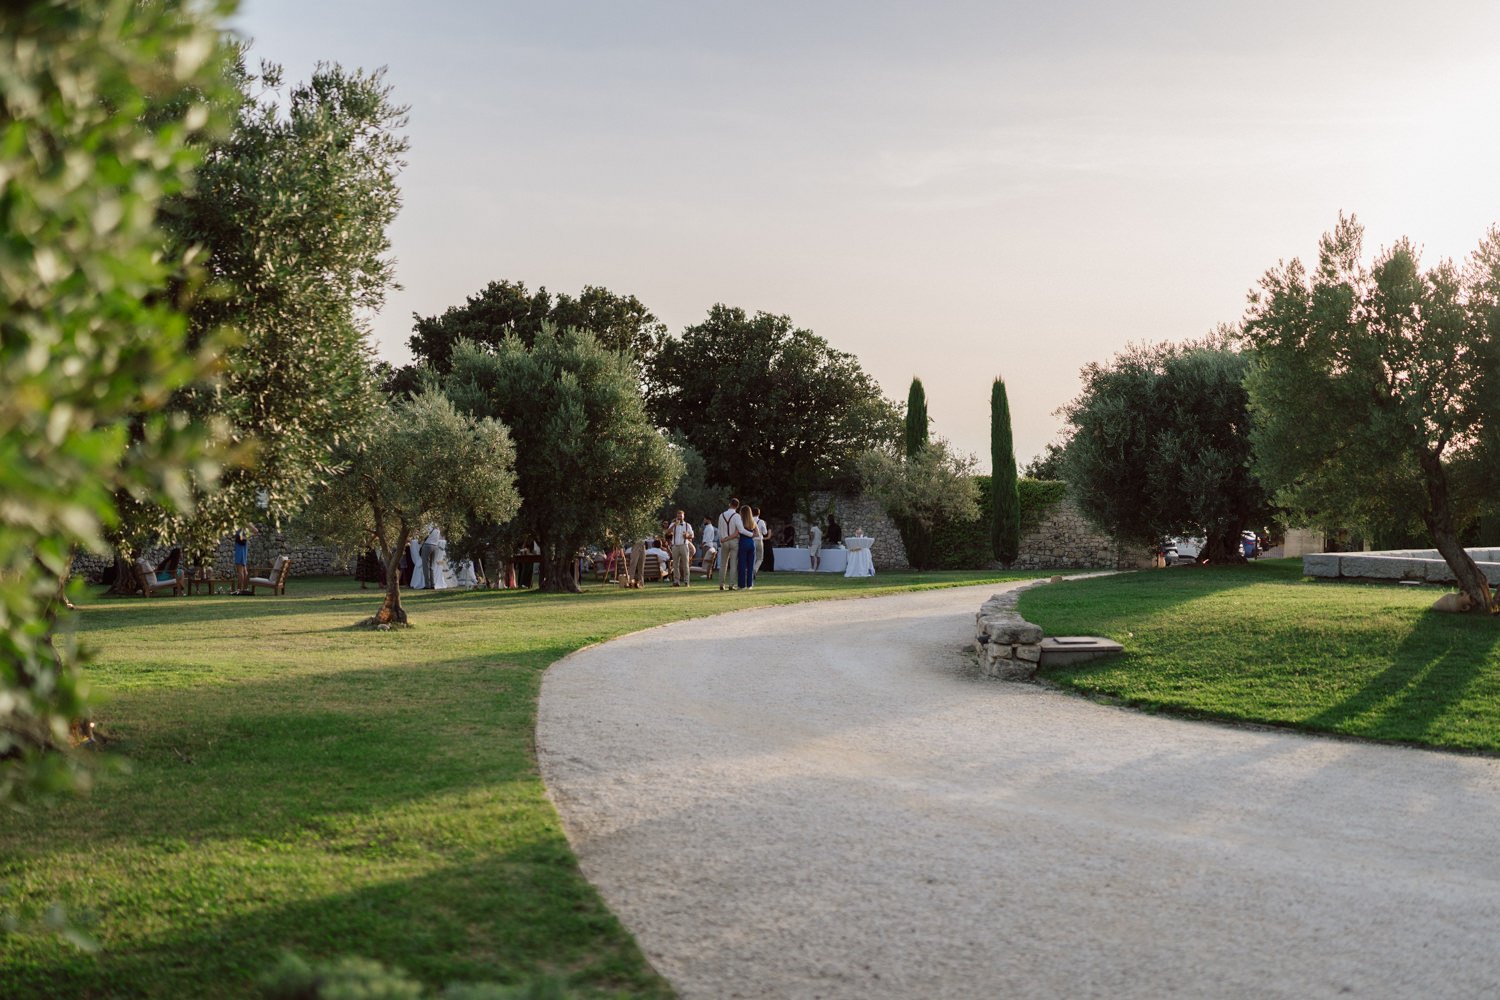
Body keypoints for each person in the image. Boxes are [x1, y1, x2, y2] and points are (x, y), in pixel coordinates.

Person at [717, 496, 740, 591]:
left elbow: (719, 530)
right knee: (733, 563)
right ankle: (731, 584)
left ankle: (721, 584)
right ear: (737, 506)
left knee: (723, 563)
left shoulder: (721, 515)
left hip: (724, 541)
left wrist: (722, 539)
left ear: (729, 504)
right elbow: (738, 530)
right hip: (734, 540)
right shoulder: (737, 516)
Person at [667, 509, 694, 586]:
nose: (679, 517)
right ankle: (676, 581)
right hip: (675, 546)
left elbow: (692, 535)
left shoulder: (687, 525)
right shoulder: (673, 524)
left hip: (684, 546)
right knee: (675, 564)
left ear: (683, 516)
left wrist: (687, 536)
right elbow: (668, 532)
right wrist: (674, 525)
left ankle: (686, 581)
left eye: (681, 516)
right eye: (678, 516)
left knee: (685, 564)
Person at [736, 504, 757, 590]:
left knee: (742, 564)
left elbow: (739, 531)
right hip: (751, 543)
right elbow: (758, 534)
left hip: (743, 542)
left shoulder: (740, 521)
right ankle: (750, 584)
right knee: (750, 565)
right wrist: (752, 535)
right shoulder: (752, 522)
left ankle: (742, 585)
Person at [233, 527, 251, 592]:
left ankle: (239, 589)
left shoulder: (241, 528)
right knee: (244, 571)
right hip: (243, 552)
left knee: (240, 572)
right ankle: (245, 588)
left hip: (240, 552)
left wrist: (242, 537)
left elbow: (255, 531)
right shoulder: (245, 529)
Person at [752, 506, 767, 574]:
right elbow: (765, 532)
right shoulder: (761, 521)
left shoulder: (750, 521)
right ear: (759, 513)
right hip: (759, 540)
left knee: (751, 557)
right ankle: (755, 569)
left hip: (751, 540)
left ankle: (750, 569)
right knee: (760, 558)